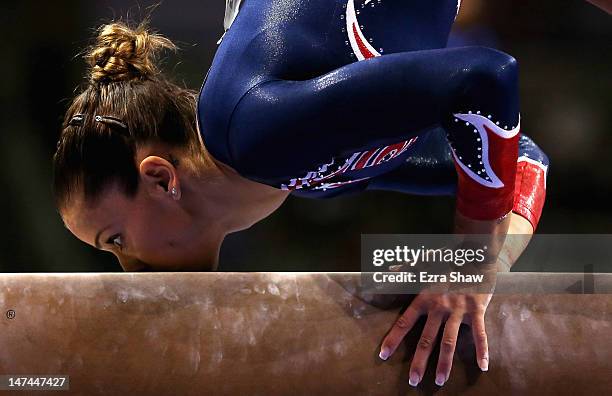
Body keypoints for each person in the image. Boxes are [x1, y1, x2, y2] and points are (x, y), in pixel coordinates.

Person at [54, 0, 606, 388]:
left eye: (115, 239)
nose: (128, 268)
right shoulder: (309, 171)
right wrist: (475, 265)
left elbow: (483, 80)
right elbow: (522, 161)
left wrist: (470, 266)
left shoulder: (257, 138)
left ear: (159, 179)